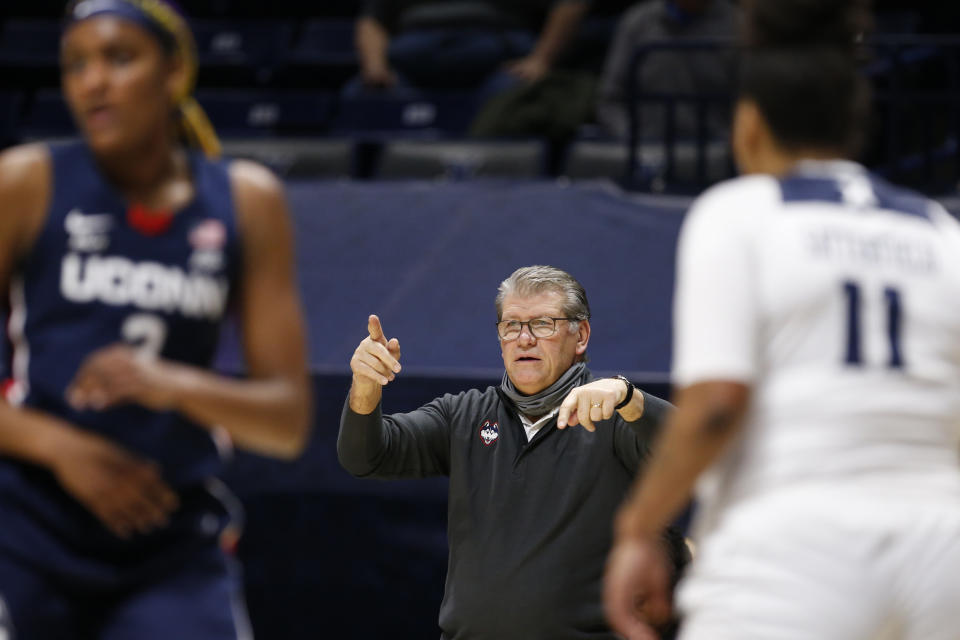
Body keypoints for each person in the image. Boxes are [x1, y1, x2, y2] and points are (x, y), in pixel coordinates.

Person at [602, 1, 960, 639]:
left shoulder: (738, 214)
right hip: (942, 552)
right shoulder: (939, 230)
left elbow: (716, 403)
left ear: (750, 124)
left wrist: (636, 531)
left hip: (795, 545)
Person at [0, 1, 312, 637]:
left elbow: (286, 422)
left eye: (119, 58)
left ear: (174, 73)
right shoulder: (26, 181)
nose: (94, 82)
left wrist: (166, 383)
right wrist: (63, 448)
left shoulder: (246, 200)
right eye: (75, 65)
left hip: (166, 532)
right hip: (25, 522)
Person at [339, 264, 679, 639]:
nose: (524, 338)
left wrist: (628, 397)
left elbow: (689, 451)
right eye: (511, 325)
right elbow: (367, 456)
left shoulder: (614, 416)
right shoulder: (463, 415)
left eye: (542, 324)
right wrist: (365, 386)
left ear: (580, 335)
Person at [349, 0, 590, 94]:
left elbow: (571, 5)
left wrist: (542, 60)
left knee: (521, 99)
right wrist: (375, 66)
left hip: (496, 65)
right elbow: (372, 21)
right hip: (411, 67)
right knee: (363, 95)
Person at [596, 0, 739, 142]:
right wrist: (632, 138)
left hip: (717, 149)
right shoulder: (638, 22)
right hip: (648, 149)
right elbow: (610, 99)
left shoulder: (738, 25)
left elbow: (749, 103)